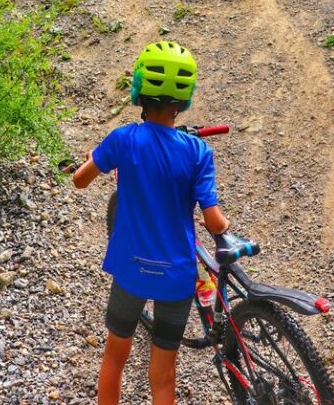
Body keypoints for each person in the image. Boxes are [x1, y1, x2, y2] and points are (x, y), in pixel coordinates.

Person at [71, 41, 230, 405]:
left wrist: (95, 158)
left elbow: (81, 180)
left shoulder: (123, 140)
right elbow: (213, 220)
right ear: (185, 99)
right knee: (164, 375)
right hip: (176, 278)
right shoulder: (199, 152)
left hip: (131, 270)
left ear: (139, 89)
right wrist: (223, 226)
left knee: (115, 357)